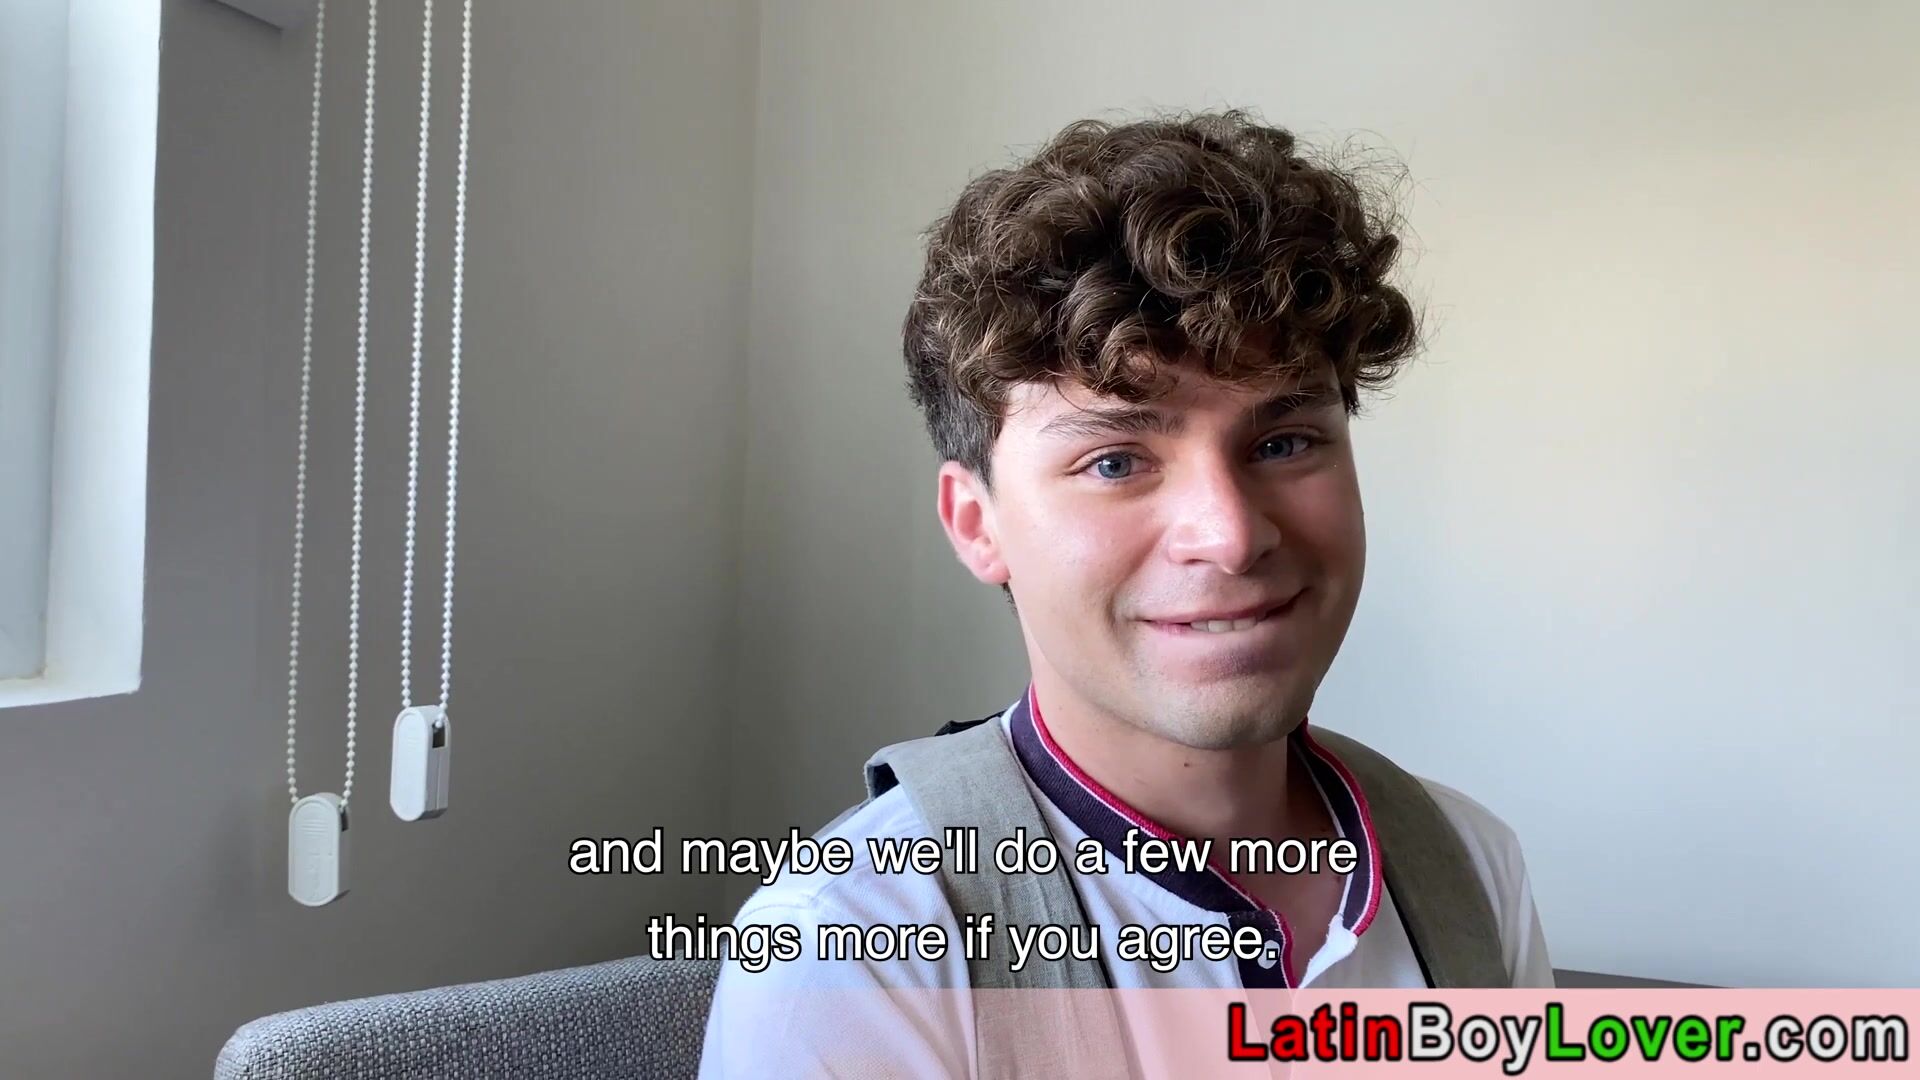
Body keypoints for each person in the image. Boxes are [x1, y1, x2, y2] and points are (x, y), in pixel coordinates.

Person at [698, 107, 1553, 1076]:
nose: (1231, 534)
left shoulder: (1469, 866)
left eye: (1283, 443)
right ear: (977, 524)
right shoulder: (851, 955)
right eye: (1113, 462)